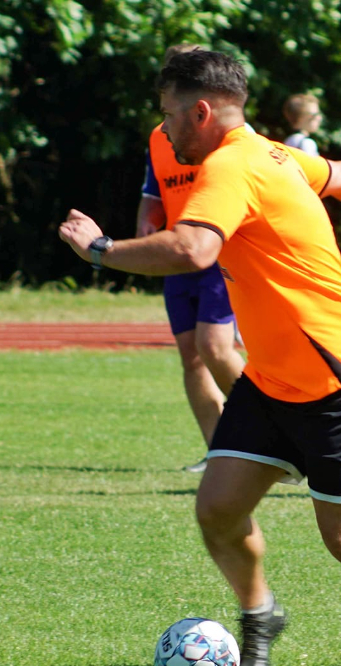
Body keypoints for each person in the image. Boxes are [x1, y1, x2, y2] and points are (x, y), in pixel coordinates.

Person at [59, 49, 341, 666]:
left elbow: (195, 247)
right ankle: (261, 616)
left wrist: (100, 250)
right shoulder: (272, 153)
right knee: (218, 509)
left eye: (171, 117)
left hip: (339, 371)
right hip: (276, 374)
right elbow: (337, 176)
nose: (164, 133)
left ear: (202, 111)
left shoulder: (231, 164)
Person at [139, 45, 245, 473]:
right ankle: (219, 450)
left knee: (215, 346)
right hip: (178, 255)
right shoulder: (162, 134)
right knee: (192, 355)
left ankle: (270, 435)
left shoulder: (222, 134)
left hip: (218, 251)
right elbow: (152, 193)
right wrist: (147, 228)